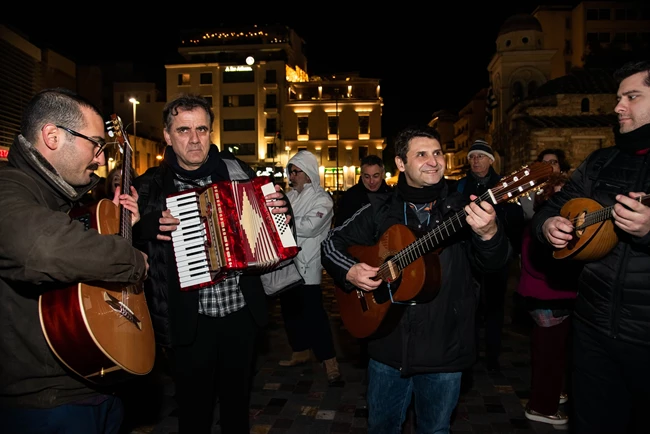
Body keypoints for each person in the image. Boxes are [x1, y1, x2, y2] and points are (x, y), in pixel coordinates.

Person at [321, 125, 511, 433]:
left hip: (444, 349)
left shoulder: (464, 207)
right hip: (387, 347)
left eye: (437, 153)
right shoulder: (380, 208)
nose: (433, 162)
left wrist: (490, 234)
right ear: (400, 163)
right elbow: (331, 243)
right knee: (382, 428)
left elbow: (495, 263)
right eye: (421, 154)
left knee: (435, 430)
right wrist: (350, 270)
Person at [132, 93, 290, 434]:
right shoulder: (149, 186)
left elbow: (275, 218)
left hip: (240, 313)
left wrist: (283, 211)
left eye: (202, 129)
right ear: (167, 135)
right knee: (193, 412)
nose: (194, 139)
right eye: (184, 129)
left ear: (211, 132)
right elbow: (123, 238)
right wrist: (145, 226)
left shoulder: (238, 172)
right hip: (190, 320)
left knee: (237, 409)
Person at [0, 88, 148, 434]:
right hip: (43, 404)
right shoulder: (9, 187)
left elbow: (78, 272)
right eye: (95, 143)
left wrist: (118, 227)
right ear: (52, 136)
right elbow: (41, 249)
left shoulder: (63, 198)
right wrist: (133, 260)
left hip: (91, 380)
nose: (100, 158)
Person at [531, 59, 650, 434]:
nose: (618, 107)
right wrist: (549, 225)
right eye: (618, 97)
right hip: (593, 327)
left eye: (632, 97)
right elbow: (550, 209)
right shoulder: (600, 162)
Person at [457, 139, 524, 372]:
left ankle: (493, 357)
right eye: (472, 157)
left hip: (498, 254)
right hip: (468, 255)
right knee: (471, 307)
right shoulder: (461, 186)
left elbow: (516, 220)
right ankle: (471, 355)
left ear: (491, 160)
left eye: (480, 156)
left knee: (495, 306)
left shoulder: (504, 185)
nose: (476, 160)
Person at [516, 172, 578, 426]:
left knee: (555, 353)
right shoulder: (543, 226)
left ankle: (552, 392)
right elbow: (534, 265)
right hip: (546, 299)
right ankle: (541, 406)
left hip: (554, 298)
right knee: (548, 357)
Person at [277, 150, 341, 383]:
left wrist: (285, 224)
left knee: (315, 315)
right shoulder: (290, 196)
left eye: (296, 171)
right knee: (291, 311)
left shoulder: (323, 199)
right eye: (290, 171)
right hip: (287, 264)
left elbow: (310, 226)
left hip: (307, 264)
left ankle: (329, 360)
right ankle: (300, 350)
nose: (292, 176)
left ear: (309, 173)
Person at [334, 154, 392, 226]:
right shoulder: (350, 197)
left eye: (375, 176)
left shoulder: (392, 196)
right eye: (367, 177)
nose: (371, 181)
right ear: (361, 175)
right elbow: (340, 228)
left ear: (382, 174)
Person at [520, 148, 571, 221]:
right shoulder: (532, 187)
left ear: (560, 167)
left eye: (553, 162)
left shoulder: (569, 186)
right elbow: (529, 215)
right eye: (544, 163)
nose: (548, 166)